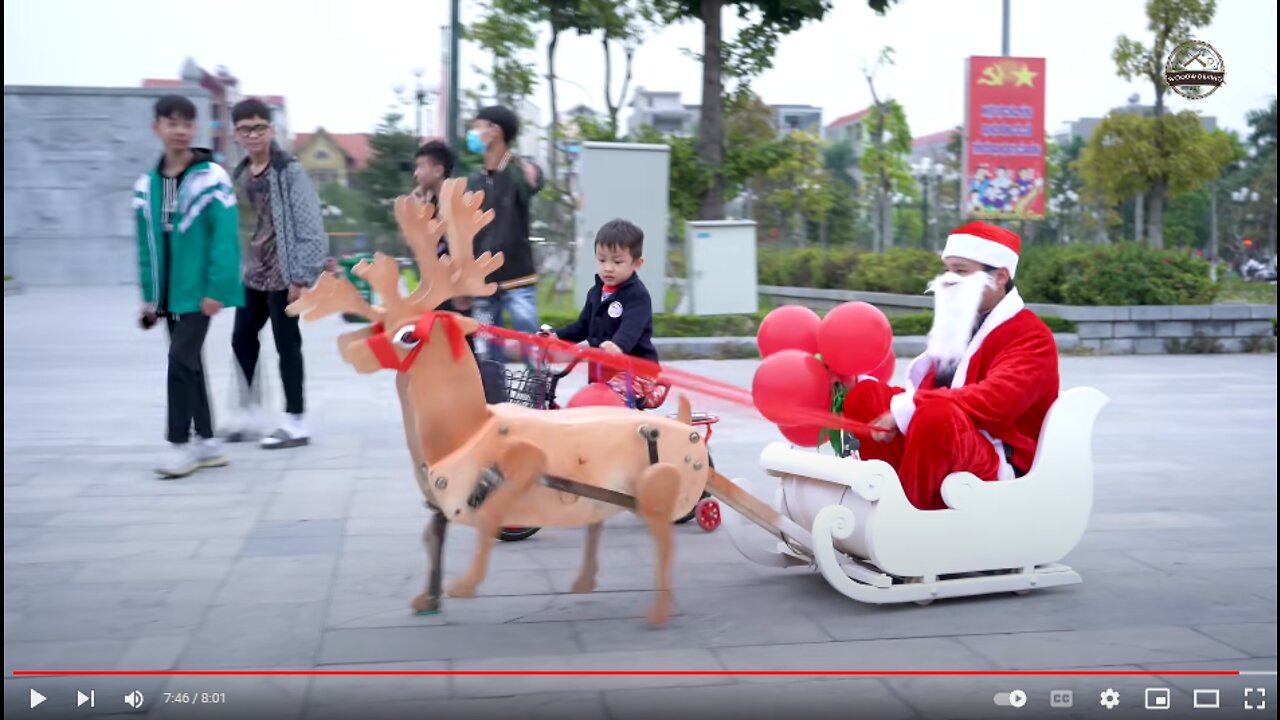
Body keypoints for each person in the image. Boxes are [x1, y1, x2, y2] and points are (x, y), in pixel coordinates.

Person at [842, 221, 1060, 511]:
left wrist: (911, 406)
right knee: (867, 397)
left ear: (999, 277)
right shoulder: (960, 322)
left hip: (997, 456)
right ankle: (882, 499)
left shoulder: (1031, 335)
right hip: (946, 439)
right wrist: (857, 386)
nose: (947, 279)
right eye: (947, 269)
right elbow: (926, 391)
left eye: (961, 271)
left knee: (936, 415)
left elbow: (996, 402)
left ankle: (910, 517)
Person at [133, 95, 243, 479]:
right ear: (157, 128)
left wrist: (216, 288)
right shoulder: (146, 186)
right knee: (190, 364)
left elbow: (225, 237)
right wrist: (150, 297)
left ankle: (178, 445)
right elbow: (147, 248)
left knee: (179, 362)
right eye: (171, 123)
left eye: (186, 123)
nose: (179, 131)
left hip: (200, 293)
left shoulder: (212, 178)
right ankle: (209, 442)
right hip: (168, 294)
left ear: (194, 128)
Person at [224, 98, 328, 449]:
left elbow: (311, 226)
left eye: (259, 128)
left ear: (271, 130)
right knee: (241, 339)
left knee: (287, 345)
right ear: (235, 133)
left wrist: (301, 276)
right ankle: (252, 415)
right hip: (253, 273)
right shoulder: (239, 174)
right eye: (245, 129)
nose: (253, 135)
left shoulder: (289, 171)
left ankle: (296, 420)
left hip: (284, 274)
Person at [464, 105, 544, 364]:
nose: (472, 133)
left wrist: (527, 168)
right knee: (487, 350)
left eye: (477, 126)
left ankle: (539, 397)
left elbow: (536, 181)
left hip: (517, 277)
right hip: (483, 282)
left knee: (530, 342)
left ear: (495, 130)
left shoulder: (519, 172)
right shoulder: (474, 181)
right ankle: (492, 399)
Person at [549, 219, 659, 405]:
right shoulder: (595, 293)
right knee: (596, 404)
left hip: (637, 371)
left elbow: (631, 328)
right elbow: (582, 326)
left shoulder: (637, 295)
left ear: (637, 264)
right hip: (603, 369)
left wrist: (618, 345)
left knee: (603, 401)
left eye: (617, 261)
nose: (608, 267)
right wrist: (556, 337)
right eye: (602, 260)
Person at [410, 139, 476, 354]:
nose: (416, 174)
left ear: (438, 170)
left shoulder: (456, 202)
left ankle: (477, 386)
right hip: (438, 289)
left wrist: (463, 290)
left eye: (421, 167)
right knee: (442, 349)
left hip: (456, 292)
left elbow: (463, 246)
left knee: (462, 349)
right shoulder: (431, 202)